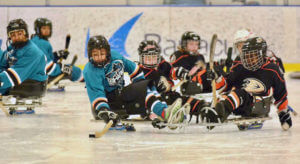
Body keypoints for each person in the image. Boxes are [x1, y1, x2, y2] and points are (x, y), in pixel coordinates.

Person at [83, 35, 186, 127]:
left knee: (147, 85)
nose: (99, 57)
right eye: (95, 54)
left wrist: (140, 88)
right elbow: (97, 95)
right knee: (144, 88)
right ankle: (163, 112)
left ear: (108, 52)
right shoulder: (90, 71)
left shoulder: (115, 56)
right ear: (90, 55)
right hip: (107, 107)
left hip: (121, 98)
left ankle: (160, 111)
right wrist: (105, 112)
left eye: (102, 54)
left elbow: (134, 70)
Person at [201, 37, 292, 130]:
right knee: (225, 95)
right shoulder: (240, 66)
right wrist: (217, 78)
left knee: (241, 93)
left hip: (260, 105)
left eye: (252, 56)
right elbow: (226, 86)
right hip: (242, 105)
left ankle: (220, 114)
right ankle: (216, 112)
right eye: (246, 56)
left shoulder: (272, 69)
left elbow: (280, 94)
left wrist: (283, 113)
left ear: (262, 54)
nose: (249, 59)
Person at [138, 40, 207, 122]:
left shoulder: (163, 65)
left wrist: (182, 73)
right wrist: (158, 86)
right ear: (141, 57)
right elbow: (140, 89)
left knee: (184, 100)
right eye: (148, 57)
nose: (151, 60)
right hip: (152, 101)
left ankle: (205, 110)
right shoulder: (139, 71)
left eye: (154, 57)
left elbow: (172, 71)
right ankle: (157, 113)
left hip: (169, 96)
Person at [0, 18, 47, 97]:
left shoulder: (32, 52)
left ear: (26, 34)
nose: (17, 37)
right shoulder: (13, 48)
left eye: (20, 33)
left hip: (31, 85)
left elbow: (14, 75)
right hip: (21, 80)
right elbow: (2, 64)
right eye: (13, 35)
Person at [31, 18, 83, 84]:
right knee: (73, 70)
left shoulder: (36, 40)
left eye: (48, 28)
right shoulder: (42, 43)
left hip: (35, 74)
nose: (47, 30)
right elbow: (46, 66)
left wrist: (57, 55)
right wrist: (62, 68)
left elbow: (45, 58)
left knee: (69, 68)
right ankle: (89, 79)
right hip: (40, 76)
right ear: (38, 29)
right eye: (44, 28)